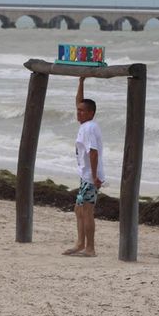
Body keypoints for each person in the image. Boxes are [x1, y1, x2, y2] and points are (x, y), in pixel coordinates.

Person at [63, 77, 105, 258]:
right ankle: (80, 244)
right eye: (78, 110)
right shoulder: (86, 124)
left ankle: (90, 248)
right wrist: (81, 82)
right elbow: (78, 102)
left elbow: (93, 152)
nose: (77, 113)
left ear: (90, 113)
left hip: (90, 177)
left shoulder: (89, 128)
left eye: (81, 111)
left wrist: (95, 177)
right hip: (85, 175)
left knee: (87, 211)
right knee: (78, 209)